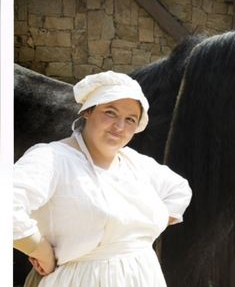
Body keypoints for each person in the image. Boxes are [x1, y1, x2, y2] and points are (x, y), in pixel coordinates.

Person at [13, 71, 193, 287]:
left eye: (130, 120)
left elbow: (180, 190)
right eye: (110, 112)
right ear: (88, 111)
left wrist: (138, 232)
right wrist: (40, 250)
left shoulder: (136, 164)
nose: (119, 126)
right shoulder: (53, 158)